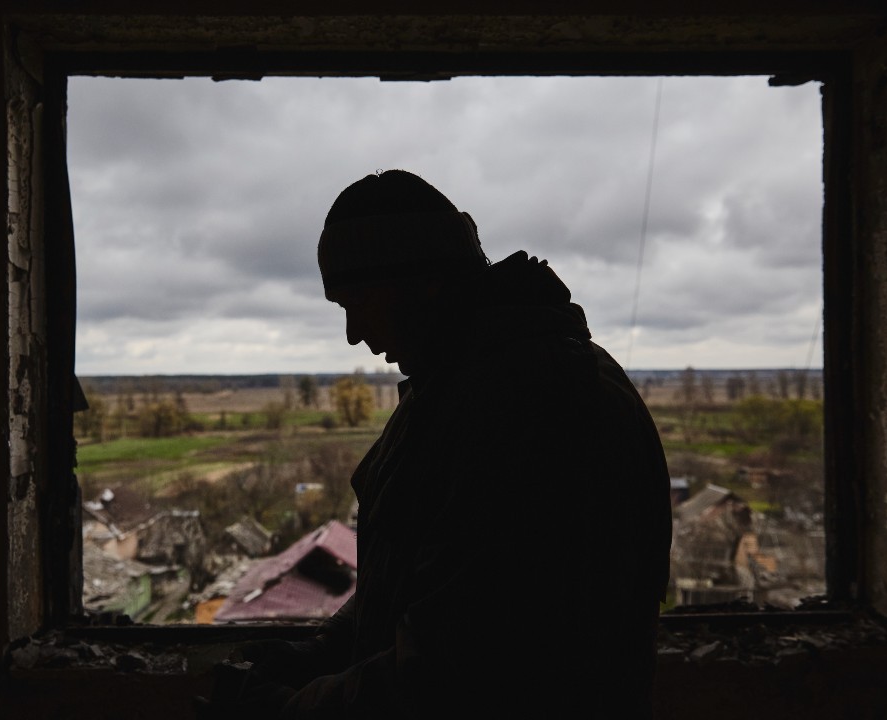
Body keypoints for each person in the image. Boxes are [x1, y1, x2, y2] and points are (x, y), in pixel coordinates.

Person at [195, 169, 673, 719]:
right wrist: (320, 652)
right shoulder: (460, 389)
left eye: (360, 301)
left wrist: (284, 710)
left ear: (423, 283)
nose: (354, 334)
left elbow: (466, 670)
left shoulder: (542, 407)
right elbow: (415, 581)